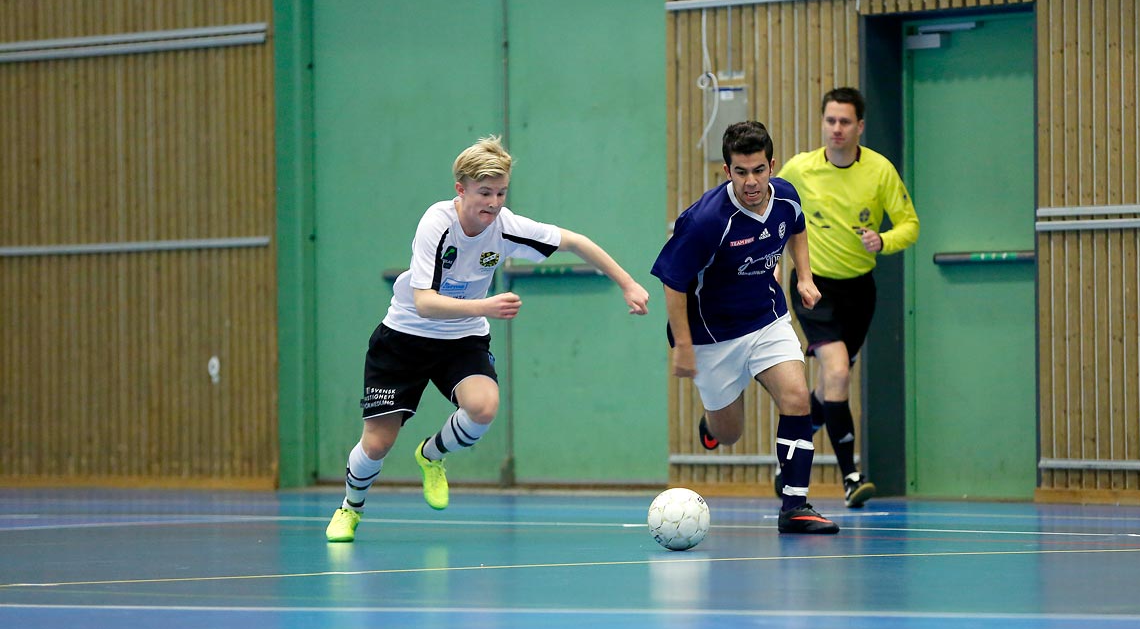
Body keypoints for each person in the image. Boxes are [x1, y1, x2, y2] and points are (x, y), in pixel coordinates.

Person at [325, 135, 650, 542]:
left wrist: (627, 283)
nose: (493, 203)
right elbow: (425, 303)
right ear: (460, 190)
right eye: (484, 193)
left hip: (461, 339)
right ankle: (350, 507)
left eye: (501, 192)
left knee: (483, 407)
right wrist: (485, 307)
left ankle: (431, 455)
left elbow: (575, 242)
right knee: (376, 444)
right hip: (405, 337)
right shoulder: (437, 224)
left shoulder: (506, 227)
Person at [651, 120, 839, 534]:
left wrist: (804, 277)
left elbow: (798, 227)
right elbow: (673, 280)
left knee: (796, 396)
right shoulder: (705, 221)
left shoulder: (786, 196)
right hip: (712, 337)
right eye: (740, 171)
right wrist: (683, 344)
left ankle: (795, 506)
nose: (751, 181)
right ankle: (710, 425)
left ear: (771, 165)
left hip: (766, 318)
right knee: (729, 433)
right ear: (726, 171)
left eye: (758, 170)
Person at [777, 87, 919, 508]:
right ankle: (851, 478)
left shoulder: (879, 171)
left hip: (860, 290)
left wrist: (884, 240)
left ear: (860, 126)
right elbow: (772, 207)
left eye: (844, 122)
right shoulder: (800, 169)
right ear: (822, 123)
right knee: (837, 373)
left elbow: (909, 225)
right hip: (813, 285)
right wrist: (772, 259)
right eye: (830, 121)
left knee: (831, 385)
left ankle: (788, 461)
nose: (836, 129)